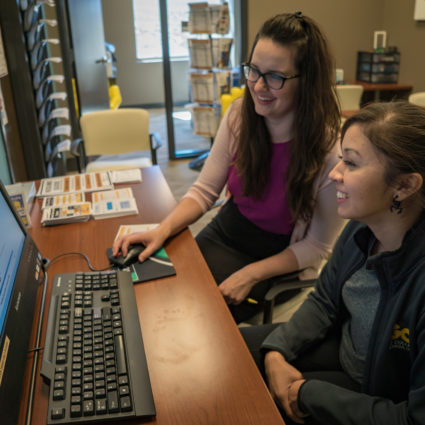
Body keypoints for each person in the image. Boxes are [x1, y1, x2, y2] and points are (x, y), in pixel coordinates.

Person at [112, 12, 345, 323]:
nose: (258, 86)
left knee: (202, 320)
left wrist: (251, 273)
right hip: (227, 230)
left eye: (275, 77)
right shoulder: (239, 116)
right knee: (161, 295)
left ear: (307, 82)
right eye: (254, 71)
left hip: (279, 258)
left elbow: (317, 246)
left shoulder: (331, 152)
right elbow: (204, 191)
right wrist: (161, 230)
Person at [241, 101, 425, 425]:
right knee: (237, 351)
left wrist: (308, 394)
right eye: (341, 158)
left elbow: (412, 418)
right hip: (346, 352)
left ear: (405, 185)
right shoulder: (360, 225)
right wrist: (277, 350)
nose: (334, 174)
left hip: (378, 397)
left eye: (351, 164)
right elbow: (325, 300)